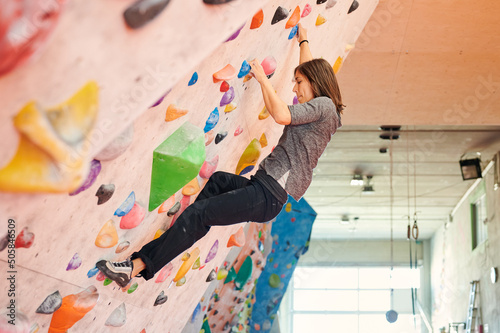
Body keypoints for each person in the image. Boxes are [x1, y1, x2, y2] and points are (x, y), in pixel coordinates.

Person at [96, 24, 343, 288]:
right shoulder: (324, 107)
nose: (294, 89)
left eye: (298, 83)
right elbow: (310, 70)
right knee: (217, 183)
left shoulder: (324, 107)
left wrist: (262, 78)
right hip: (261, 187)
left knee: (200, 213)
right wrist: (304, 41)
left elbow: (282, 114)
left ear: (315, 82)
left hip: (267, 195)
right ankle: (190, 228)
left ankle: (136, 267)